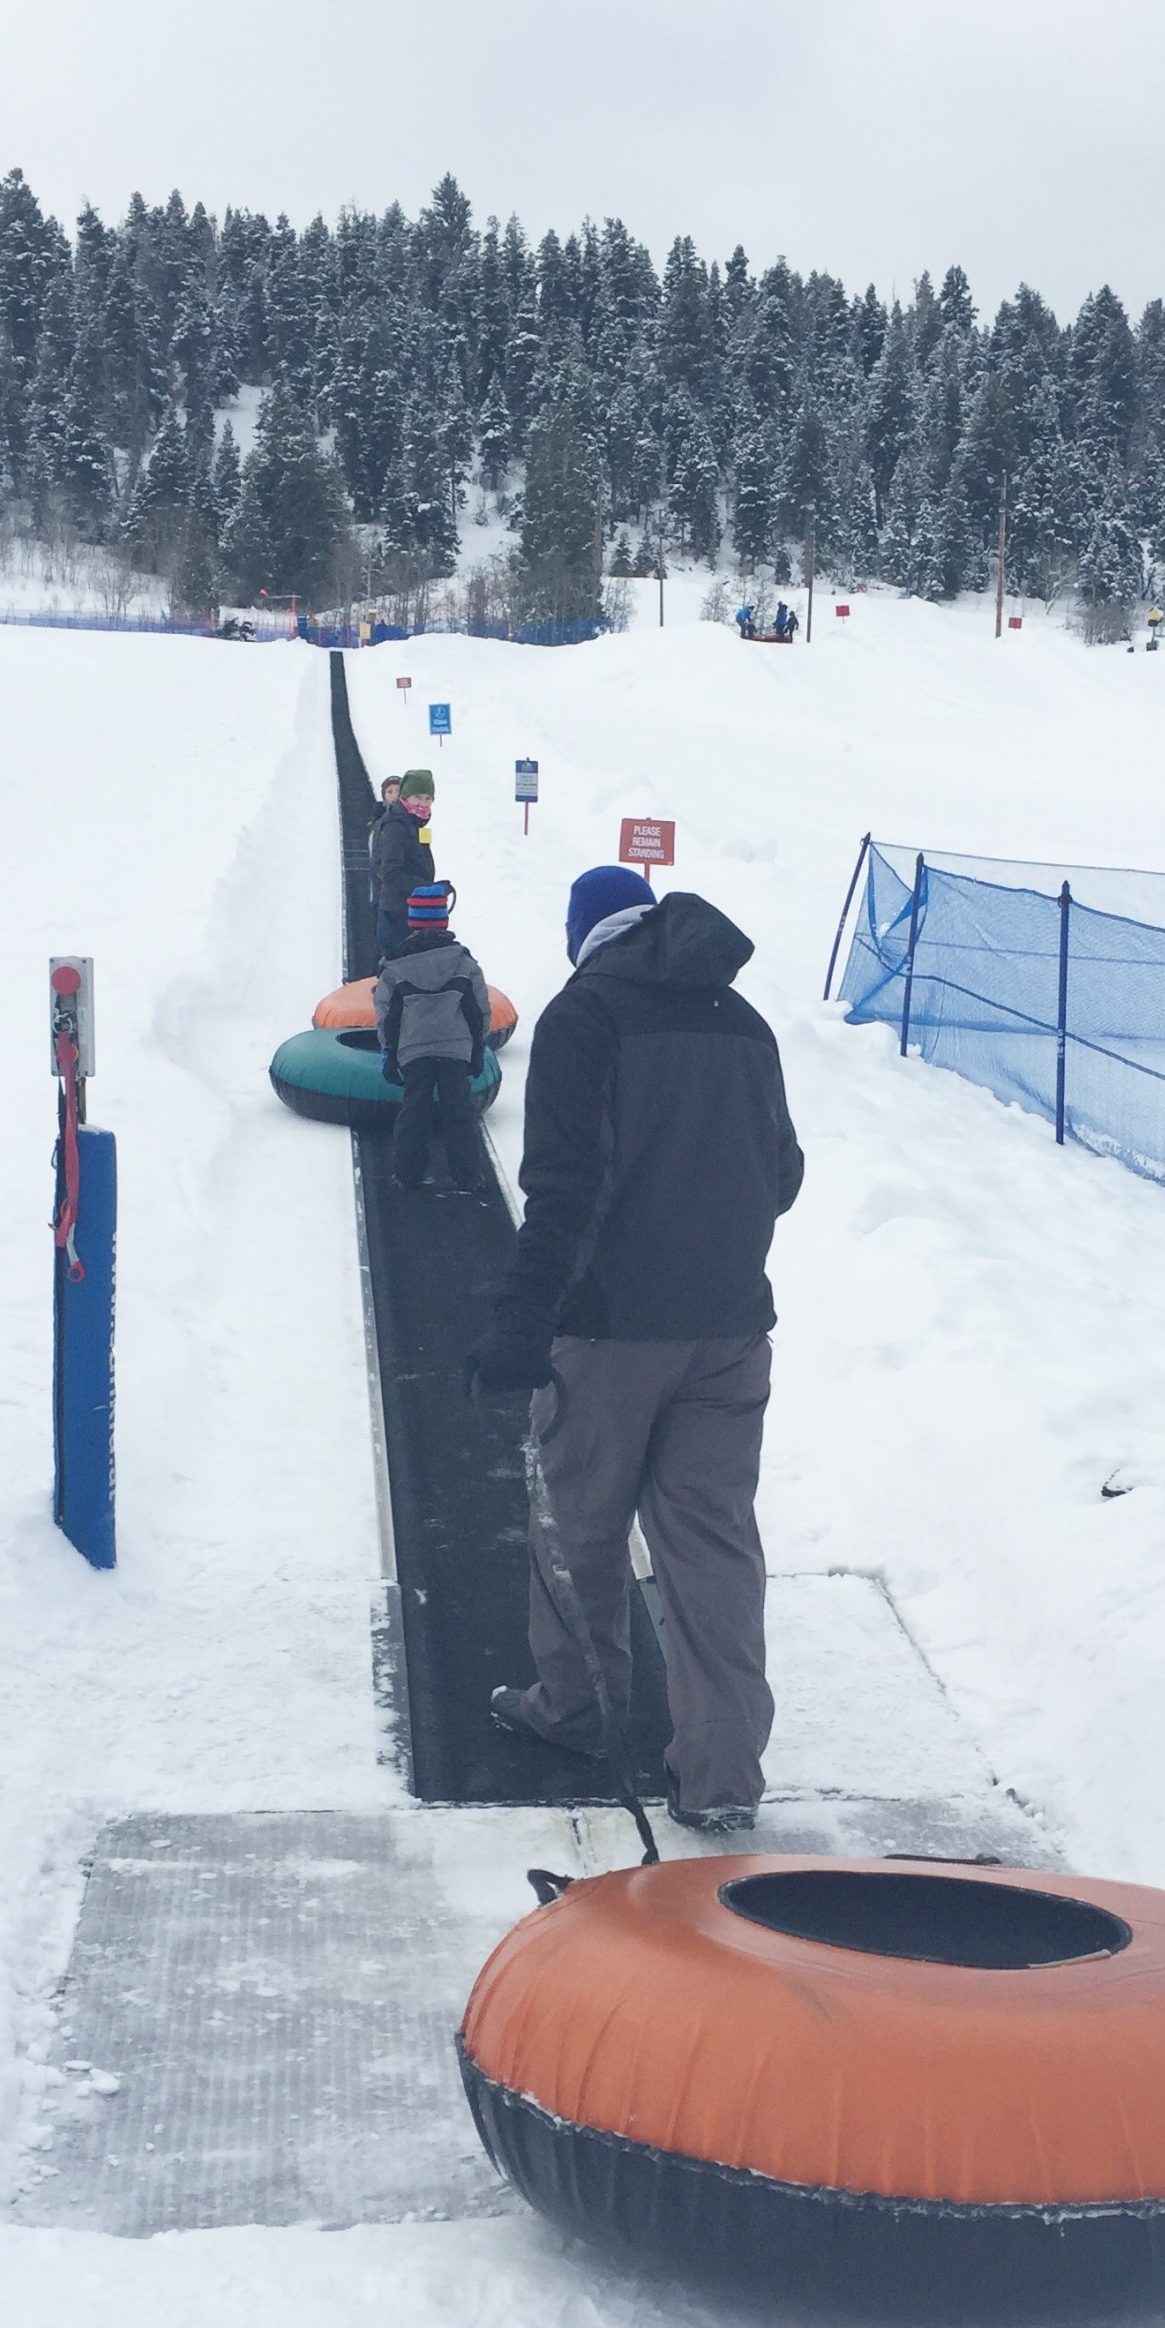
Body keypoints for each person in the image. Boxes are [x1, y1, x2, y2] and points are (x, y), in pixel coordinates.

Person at [468, 863, 804, 1833]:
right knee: (712, 1545)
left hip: (611, 1332)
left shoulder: (586, 1017)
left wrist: (525, 1319)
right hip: (733, 1332)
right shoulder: (744, 1025)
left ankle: (577, 1711)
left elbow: (566, 1185)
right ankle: (723, 1772)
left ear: (586, 936)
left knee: (579, 1526)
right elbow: (781, 1174)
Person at [375, 882, 490, 1191]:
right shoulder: (464, 964)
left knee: (413, 1112)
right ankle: (467, 1175)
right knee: (459, 1113)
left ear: (411, 920)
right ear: (445, 920)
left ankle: (407, 1173)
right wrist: (477, 1049)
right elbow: (478, 1010)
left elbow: (388, 1015)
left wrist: (389, 1053)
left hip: (414, 1051)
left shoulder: (394, 967)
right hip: (455, 1051)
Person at [373, 770, 435, 966]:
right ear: (405, 797)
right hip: (399, 917)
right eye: (418, 797)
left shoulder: (414, 824)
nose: (423, 804)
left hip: (414, 910)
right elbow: (390, 873)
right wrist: (426, 887)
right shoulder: (396, 827)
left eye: (428, 798)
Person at [366, 774, 403, 928]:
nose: (394, 796)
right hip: (384, 893)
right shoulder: (381, 824)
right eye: (390, 792)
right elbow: (378, 859)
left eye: (398, 791)